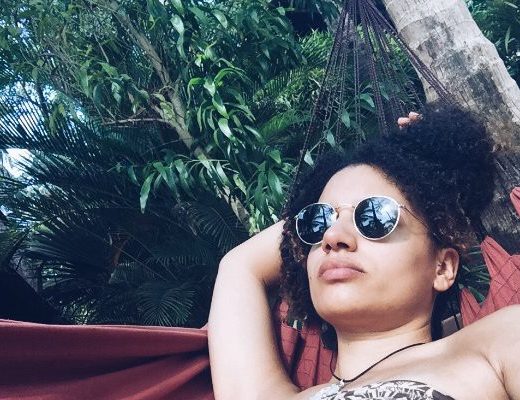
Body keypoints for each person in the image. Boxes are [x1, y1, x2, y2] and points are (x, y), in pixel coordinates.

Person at [208, 103, 520, 400]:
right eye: (319, 222)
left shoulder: (496, 345)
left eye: (374, 216)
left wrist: (433, 168)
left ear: (442, 267)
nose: (332, 236)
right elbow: (240, 265)